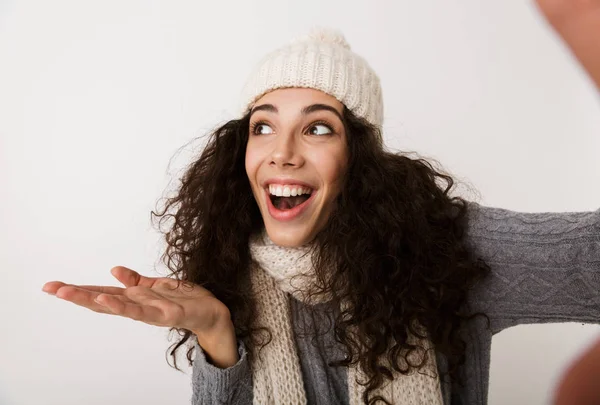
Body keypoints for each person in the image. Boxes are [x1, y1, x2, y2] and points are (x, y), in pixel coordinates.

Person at [42, 1, 600, 404]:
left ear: (360, 157)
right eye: (263, 127)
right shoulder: (230, 266)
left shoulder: (453, 248)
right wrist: (217, 336)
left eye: (318, 129)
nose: (281, 153)